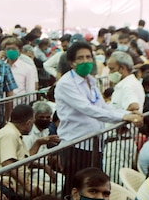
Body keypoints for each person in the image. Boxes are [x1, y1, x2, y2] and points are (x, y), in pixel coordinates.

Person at [53, 41, 143, 189]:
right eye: (80, 58)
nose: (85, 61)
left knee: (91, 188)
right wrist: (123, 117)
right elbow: (88, 109)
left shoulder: (91, 81)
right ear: (71, 62)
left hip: (94, 145)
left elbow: (102, 107)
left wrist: (128, 114)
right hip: (76, 145)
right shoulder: (66, 83)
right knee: (75, 189)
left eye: (88, 57)